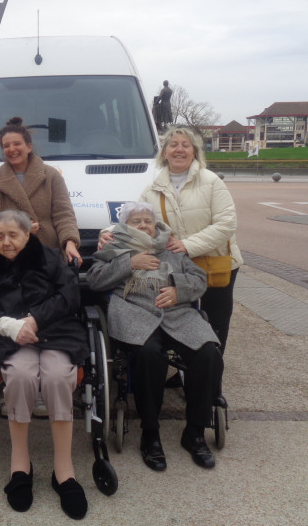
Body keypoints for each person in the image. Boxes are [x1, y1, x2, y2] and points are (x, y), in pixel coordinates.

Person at [0, 210, 89, 519]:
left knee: (58, 378)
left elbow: (70, 294)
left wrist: (35, 318)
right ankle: (20, 463)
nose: (6, 242)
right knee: (20, 376)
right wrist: (11, 326)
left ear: (27, 234)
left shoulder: (48, 257)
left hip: (56, 332)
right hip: (9, 339)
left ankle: (64, 469)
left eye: (13, 235)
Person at [86, 201, 224, 471]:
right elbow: (94, 280)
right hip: (135, 316)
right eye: (136, 221)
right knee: (149, 356)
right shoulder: (114, 248)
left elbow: (199, 279)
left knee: (208, 354)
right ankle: (150, 434)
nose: (143, 225)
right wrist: (128, 262)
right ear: (125, 225)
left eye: (147, 221)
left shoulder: (171, 249)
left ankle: (194, 432)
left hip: (178, 315)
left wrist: (178, 290)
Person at [100, 127, 242, 352]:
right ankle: (183, 369)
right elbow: (136, 216)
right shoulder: (153, 187)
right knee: (185, 317)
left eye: (185, 145)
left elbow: (226, 224)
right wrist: (107, 233)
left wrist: (188, 245)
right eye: (173, 145)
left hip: (213, 261)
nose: (179, 150)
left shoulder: (211, 181)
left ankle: (213, 379)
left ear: (194, 152)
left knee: (215, 323)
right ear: (164, 152)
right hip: (179, 262)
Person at [0, 116, 82, 265]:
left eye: (17, 144)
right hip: (11, 259)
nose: (11, 149)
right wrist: (20, 229)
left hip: (48, 256)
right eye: (6, 146)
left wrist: (70, 242)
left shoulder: (51, 176)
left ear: (29, 147)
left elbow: (64, 214)